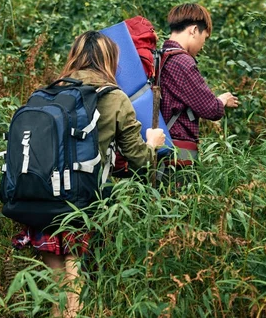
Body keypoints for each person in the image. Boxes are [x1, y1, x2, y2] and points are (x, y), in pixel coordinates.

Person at [12, 31, 166, 318]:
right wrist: (153, 144)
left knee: (57, 291)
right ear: (109, 60)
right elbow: (140, 161)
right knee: (77, 288)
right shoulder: (114, 97)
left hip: (39, 197)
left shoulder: (48, 92)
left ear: (75, 56)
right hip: (82, 204)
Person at [159, 3, 238, 171]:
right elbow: (211, 109)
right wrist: (222, 100)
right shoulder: (182, 61)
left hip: (160, 146)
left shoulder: (161, 56)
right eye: (205, 38)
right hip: (177, 153)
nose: (203, 45)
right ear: (194, 30)